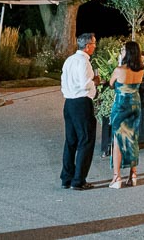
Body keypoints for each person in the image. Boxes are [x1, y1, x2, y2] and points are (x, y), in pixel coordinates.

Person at [59, 32, 99, 190]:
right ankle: (79, 180)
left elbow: (63, 81)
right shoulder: (83, 62)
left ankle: (66, 178)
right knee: (85, 140)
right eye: (94, 44)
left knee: (71, 141)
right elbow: (85, 84)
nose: (95, 46)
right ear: (87, 46)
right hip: (81, 103)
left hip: (69, 102)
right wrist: (95, 81)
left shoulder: (69, 60)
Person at [108, 40, 144, 189]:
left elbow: (111, 84)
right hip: (135, 104)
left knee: (118, 139)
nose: (121, 52)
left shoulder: (119, 70)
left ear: (128, 53)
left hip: (121, 105)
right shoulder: (141, 69)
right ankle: (133, 175)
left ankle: (116, 177)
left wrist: (119, 63)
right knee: (132, 137)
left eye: (123, 50)